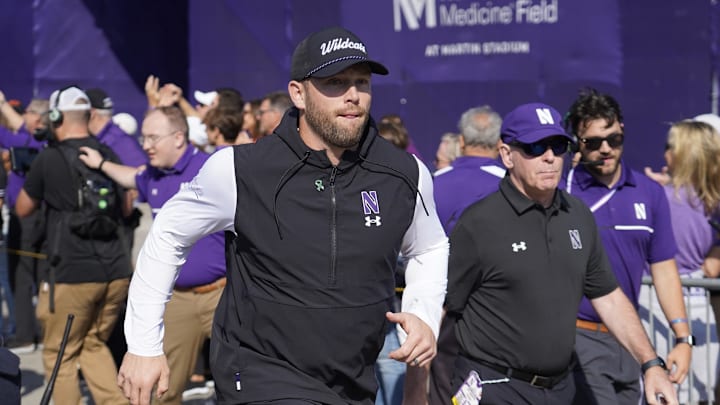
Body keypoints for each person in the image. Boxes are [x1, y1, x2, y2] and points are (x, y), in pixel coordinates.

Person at [116, 26, 448, 405]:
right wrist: (143, 344)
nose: (353, 95)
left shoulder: (405, 173)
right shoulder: (241, 169)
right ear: (298, 93)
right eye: (335, 82)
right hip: (259, 375)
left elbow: (430, 247)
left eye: (361, 82)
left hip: (352, 381)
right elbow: (168, 235)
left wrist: (423, 315)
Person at [440, 102, 678, 405]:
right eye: (535, 146)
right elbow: (444, 308)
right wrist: (419, 388)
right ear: (506, 155)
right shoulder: (478, 223)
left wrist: (650, 364)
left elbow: (608, 296)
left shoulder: (577, 214)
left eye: (558, 145)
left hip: (559, 391)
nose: (549, 156)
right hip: (494, 387)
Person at [79, 105, 227, 405]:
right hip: (178, 300)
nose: (145, 145)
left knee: (245, 378)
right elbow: (131, 177)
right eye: (143, 137)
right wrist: (101, 164)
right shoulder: (152, 176)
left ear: (178, 137)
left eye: (152, 138)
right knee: (162, 388)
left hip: (222, 295)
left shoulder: (213, 169)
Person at [563, 89, 691, 405]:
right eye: (593, 142)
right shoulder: (561, 194)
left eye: (613, 139)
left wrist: (683, 338)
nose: (605, 149)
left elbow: (663, 270)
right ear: (577, 143)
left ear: (622, 130)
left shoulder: (649, 193)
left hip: (630, 340)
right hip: (578, 337)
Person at [15, 85, 131, 404]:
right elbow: (127, 203)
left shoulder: (48, 159)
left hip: (70, 274)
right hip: (116, 270)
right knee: (92, 343)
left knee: (60, 355)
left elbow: (23, 208)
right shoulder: (106, 154)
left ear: (55, 117)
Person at [428, 105, 505, 405]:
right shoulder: (513, 184)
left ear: (461, 141)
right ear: (500, 144)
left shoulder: (436, 182)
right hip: (500, 313)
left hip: (446, 313)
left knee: (443, 389)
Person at [640, 120, 720, 403]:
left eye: (669, 147)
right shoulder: (712, 201)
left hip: (658, 306)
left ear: (682, 154)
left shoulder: (656, 198)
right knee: (698, 394)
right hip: (699, 309)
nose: (664, 154)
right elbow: (712, 267)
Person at [0, 90, 48, 354]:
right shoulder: (29, 139)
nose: (24, 115)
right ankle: (40, 330)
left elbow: (12, 129)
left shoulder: (36, 141)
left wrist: (3, 105)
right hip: (38, 216)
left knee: (20, 275)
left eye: (29, 111)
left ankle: (26, 335)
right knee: (39, 276)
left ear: (39, 119)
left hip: (27, 217)